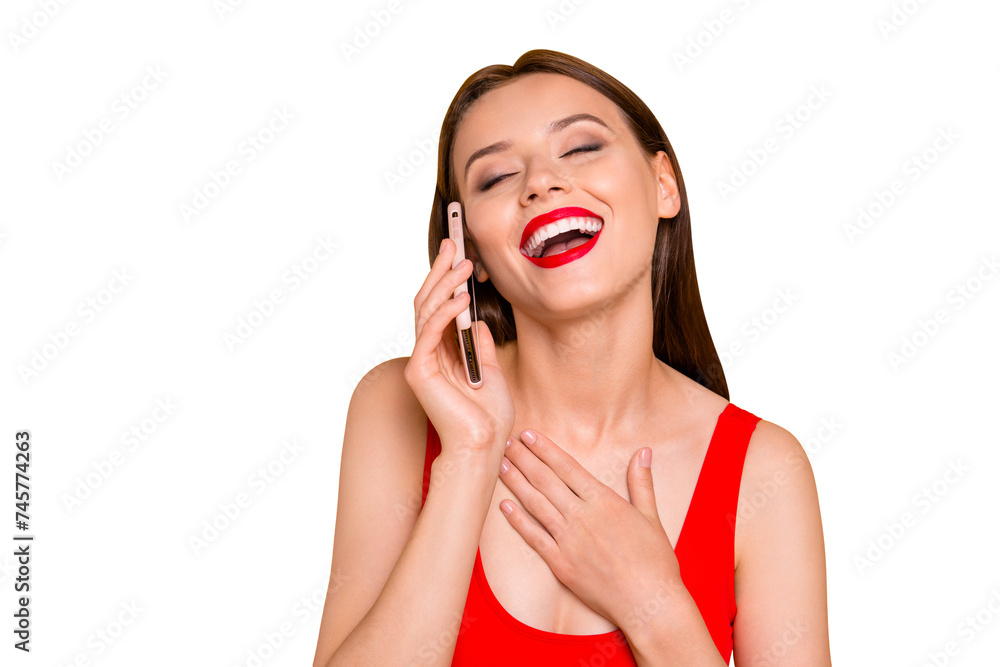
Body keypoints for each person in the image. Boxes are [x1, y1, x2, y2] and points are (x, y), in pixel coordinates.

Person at [313, 49, 831, 666]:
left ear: (663, 185)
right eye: (496, 177)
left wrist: (656, 603)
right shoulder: (398, 405)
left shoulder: (764, 469)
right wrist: (471, 456)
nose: (540, 182)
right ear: (467, 245)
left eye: (582, 148)